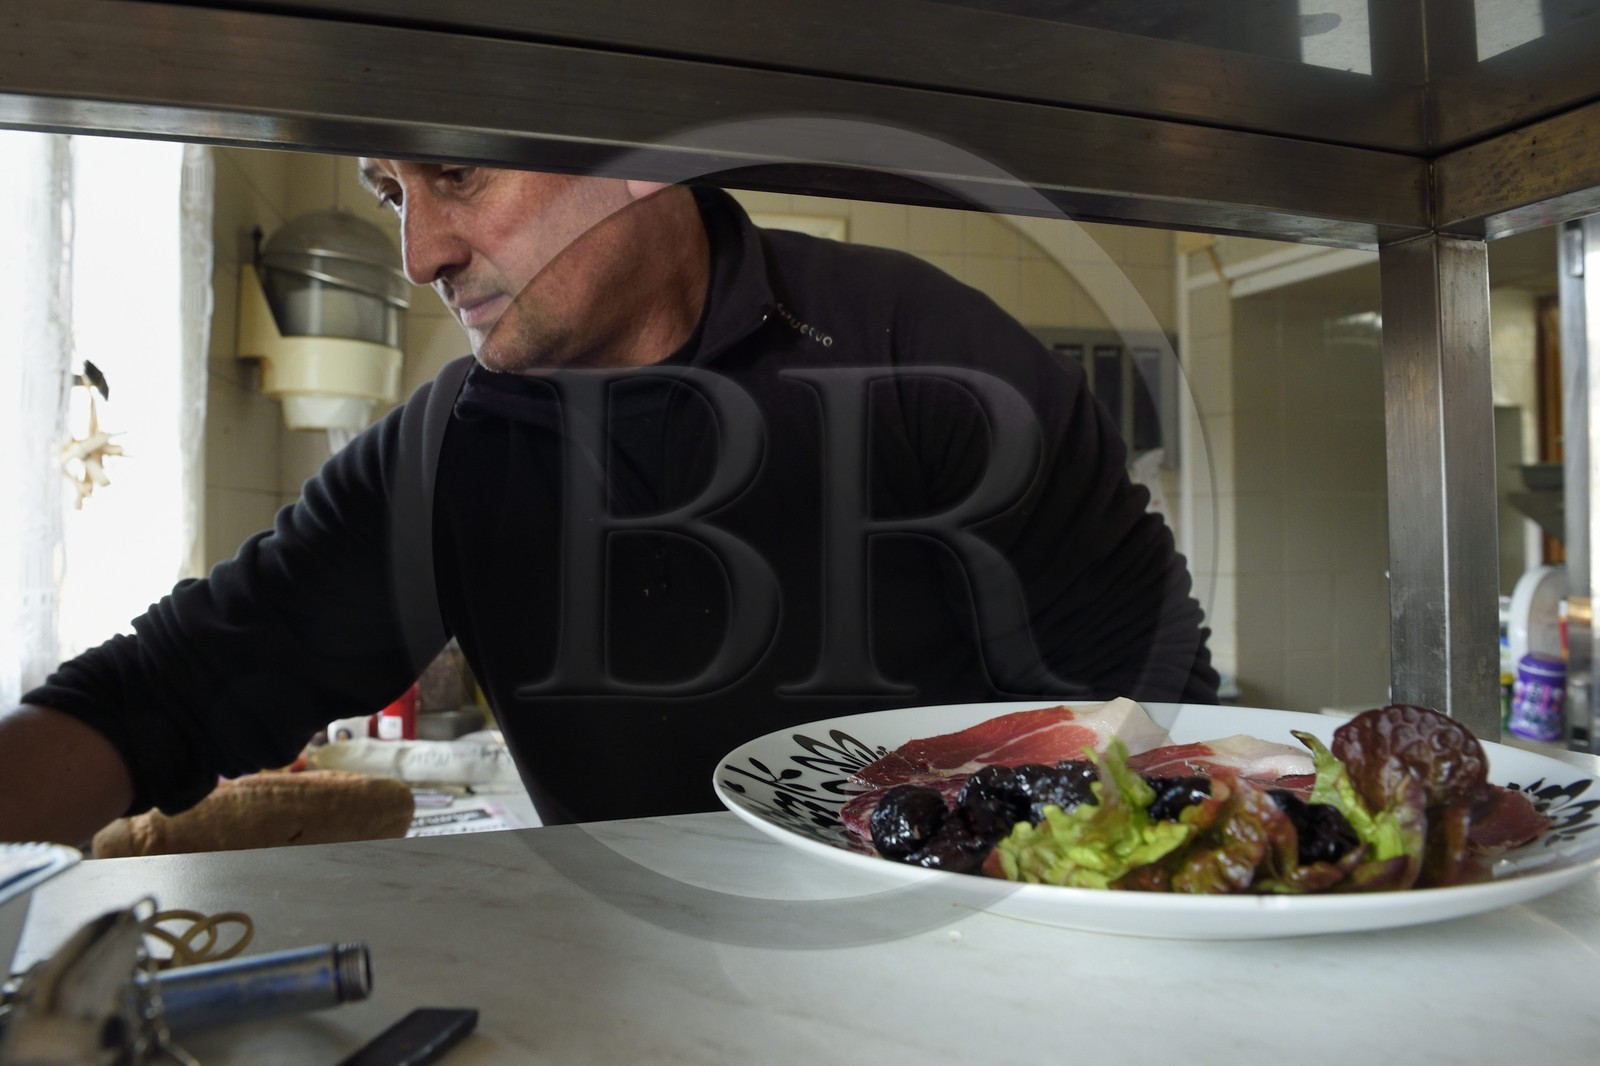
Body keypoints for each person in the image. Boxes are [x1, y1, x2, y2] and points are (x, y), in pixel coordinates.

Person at [0, 162, 1217, 844]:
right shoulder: (446, 455)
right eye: (390, 193)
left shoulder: (929, 359)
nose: (421, 251)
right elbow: (168, 692)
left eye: (457, 176)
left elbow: (1157, 713)